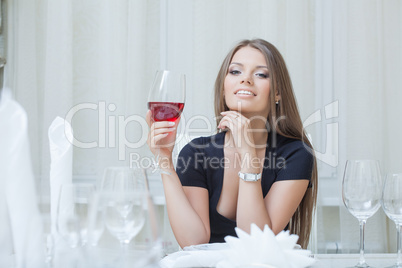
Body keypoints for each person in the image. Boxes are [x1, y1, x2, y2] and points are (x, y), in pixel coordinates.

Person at [146, 39, 317, 249]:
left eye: (261, 74)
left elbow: (256, 244)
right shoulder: (196, 153)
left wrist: (248, 156)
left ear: (278, 93)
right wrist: (164, 159)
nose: (245, 79)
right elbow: (193, 242)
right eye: (235, 72)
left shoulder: (296, 154)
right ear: (224, 86)